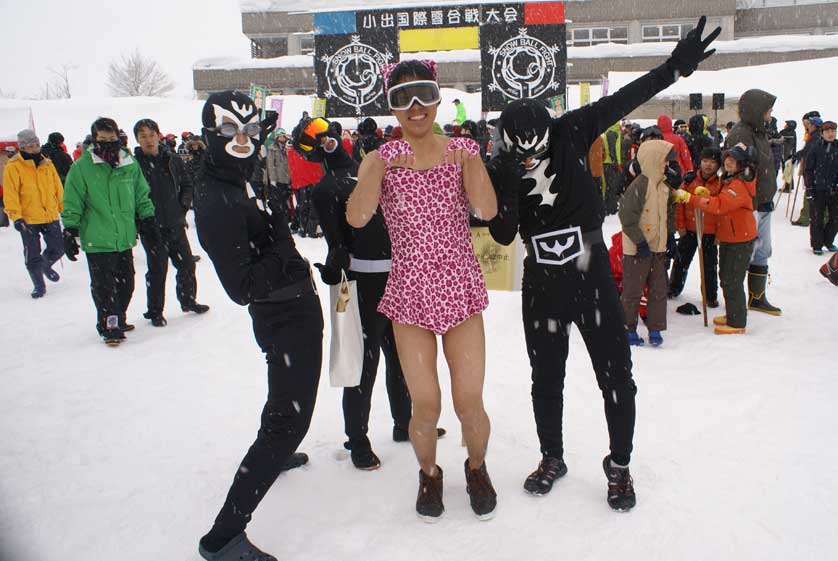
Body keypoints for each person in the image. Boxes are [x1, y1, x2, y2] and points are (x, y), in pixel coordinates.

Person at [485, 15, 720, 511]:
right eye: (519, 152)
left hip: (590, 269)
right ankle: (552, 455)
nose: (529, 159)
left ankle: (619, 465)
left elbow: (625, 100)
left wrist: (673, 70)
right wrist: (502, 182)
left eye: (536, 151)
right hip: (542, 280)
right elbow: (504, 233)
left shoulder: (572, 130)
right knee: (545, 376)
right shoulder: (503, 164)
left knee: (616, 374)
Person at [347, 59, 498, 522]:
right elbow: (356, 217)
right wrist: (375, 164)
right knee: (426, 403)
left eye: (424, 95)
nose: (415, 107)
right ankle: (429, 472)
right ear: (392, 107)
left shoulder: (461, 151)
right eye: (402, 98)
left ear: (436, 98)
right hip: (409, 293)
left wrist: (471, 159)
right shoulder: (382, 159)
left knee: (468, 400)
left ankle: (476, 466)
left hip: (460, 287)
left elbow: (488, 210)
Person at [193, 91, 321, 561]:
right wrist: (283, 248)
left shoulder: (233, 175)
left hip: (289, 309)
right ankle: (222, 537)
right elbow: (241, 285)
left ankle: (277, 448)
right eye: (229, 130)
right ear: (211, 133)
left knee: (282, 407)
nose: (241, 140)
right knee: (290, 420)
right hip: (283, 314)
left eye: (248, 130)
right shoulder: (217, 198)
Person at [298, 115, 442, 471]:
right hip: (361, 284)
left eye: (328, 134)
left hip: (399, 276)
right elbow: (338, 242)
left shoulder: (374, 166)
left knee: (403, 357)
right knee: (362, 365)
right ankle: (357, 439)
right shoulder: (326, 188)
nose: (327, 142)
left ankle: (404, 422)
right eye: (317, 142)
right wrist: (337, 267)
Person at [62, 117, 159, 345]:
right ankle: (110, 325)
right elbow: (72, 201)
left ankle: (118, 317)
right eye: (102, 139)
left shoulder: (129, 163)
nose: (108, 143)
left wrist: (148, 218)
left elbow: (141, 194)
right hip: (98, 238)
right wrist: (70, 229)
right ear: (94, 140)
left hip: (123, 238)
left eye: (112, 139)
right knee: (105, 288)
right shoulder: (82, 167)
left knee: (127, 284)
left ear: (119, 138)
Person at [133, 118, 209, 326]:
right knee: (158, 269)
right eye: (143, 136)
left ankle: (188, 300)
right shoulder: (134, 165)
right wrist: (140, 221)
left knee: (186, 264)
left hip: (174, 221)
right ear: (137, 140)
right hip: (151, 225)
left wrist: (183, 206)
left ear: (158, 135)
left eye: (151, 135)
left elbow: (186, 183)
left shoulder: (172, 159)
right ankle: (155, 311)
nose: (148, 140)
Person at [676, 144, 757, 334]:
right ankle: (732, 314)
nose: (728, 161)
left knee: (732, 279)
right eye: (727, 157)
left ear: (742, 163)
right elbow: (717, 197)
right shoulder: (730, 179)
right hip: (730, 236)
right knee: (726, 277)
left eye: (734, 159)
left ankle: (737, 323)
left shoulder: (738, 185)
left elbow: (719, 205)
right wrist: (704, 194)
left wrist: (692, 199)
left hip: (740, 238)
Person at [725, 89, 781, 316]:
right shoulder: (741, 134)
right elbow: (736, 170)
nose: (770, 113)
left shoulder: (758, 131)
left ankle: (757, 297)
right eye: (768, 108)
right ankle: (736, 304)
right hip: (750, 204)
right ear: (757, 110)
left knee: (762, 250)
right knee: (744, 252)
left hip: (764, 201)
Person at [618, 140, 677, 347]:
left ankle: (655, 327)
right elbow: (626, 216)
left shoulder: (664, 187)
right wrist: (640, 241)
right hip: (637, 249)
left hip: (658, 249)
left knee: (659, 290)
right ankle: (627, 327)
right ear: (653, 160)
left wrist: (670, 237)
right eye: (663, 161)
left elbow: (668, 215)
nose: (666, 166)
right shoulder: (640, 185)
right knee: (633, 291)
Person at [2, 129, 65, 298]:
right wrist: (15, 216)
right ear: (22, 147)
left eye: (36, 144)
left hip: (49, 214)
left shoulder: (47, 164)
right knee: (32, 253)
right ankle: (38, 284)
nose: (35, 148)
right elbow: (11, 193)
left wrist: (63, 207)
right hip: (28, 218)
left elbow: (57, 187)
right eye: (30, 146)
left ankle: (45, 264)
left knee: (59, 248)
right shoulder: (14, 167)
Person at [669, 147, 723, 307]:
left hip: (710, 233)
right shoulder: (689, 180)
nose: (708, 165)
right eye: (705, 161)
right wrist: (680, 226)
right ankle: (674, 287)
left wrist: (719, 234)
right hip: (690, 230)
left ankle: (710, 295)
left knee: (709, 266)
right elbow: (680, 205)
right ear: (699, 162)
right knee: (681, 261)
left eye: (712, 162)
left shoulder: (720, 184)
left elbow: (722, 211)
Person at [804, 120, 838, 255]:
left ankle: (828, 241)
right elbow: (809, 169)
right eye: (828, 131)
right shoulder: (816, 148)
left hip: (835, 189)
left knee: (835, 218)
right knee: (817, 218)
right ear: (822, 133)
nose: (831, 134)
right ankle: (817, 244)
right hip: (818, 189)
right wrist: (809, 187)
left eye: (833, 131)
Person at [792, 113, 823, 227]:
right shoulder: (817, 136)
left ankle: (806, 218)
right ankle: (816, 218)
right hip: (817, 170)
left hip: (813, 170)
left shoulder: (815, 137)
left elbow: (808, 151)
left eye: (809, 124)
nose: (807, 126)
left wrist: (797, 155)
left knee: (810, 193)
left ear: (814, 126)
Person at [602, 122, 624, 215]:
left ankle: (608, 207)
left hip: (608, 163)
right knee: (612, 187)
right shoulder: (612, 132)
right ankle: (611, 208)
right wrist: (616, 163)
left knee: (608, 187)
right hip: (611, 164)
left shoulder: (609, 132)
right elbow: (613, 150)